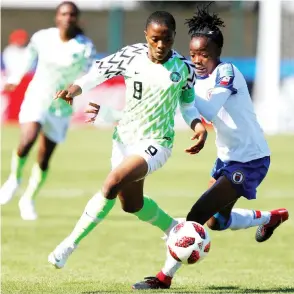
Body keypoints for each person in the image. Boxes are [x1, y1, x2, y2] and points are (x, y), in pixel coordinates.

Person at [132, 5, 289, 290]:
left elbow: (208, 108)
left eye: (204, 55)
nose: (197, 60)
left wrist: (180, 90)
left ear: (217, 53)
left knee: (196, 216)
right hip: (226, 158)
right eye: (193, 55)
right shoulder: (194, 76)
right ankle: (272, 217)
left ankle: (163, 278)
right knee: (218, 222)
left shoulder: (226, 73)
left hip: (250, 160)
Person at [47, 11, 208, 270]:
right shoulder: (130, 55)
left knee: (112, 182)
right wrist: (74, 89)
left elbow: (188, 106)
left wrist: (198, 126)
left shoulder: (183, 68)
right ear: (146, 36)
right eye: (155, 39)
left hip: (157, 142)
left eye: (166, 39)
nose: (160, 45)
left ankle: (69, 245)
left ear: (174, 37)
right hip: (124, 138)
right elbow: (97, 73)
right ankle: (173, 227)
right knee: (132, 204)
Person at [0, 1, 96, 221]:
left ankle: (28, 199)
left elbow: (90, 74)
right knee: (27, 139)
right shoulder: (42, 37)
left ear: (76, 19)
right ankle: (14, 180)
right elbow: (29, 57)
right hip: (38, 97)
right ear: (57, 17)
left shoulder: (84, 46)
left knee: (44, 158)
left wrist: (73, 90)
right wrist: (15, 78)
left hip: (61, 107)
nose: (67, 18)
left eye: (72, 14)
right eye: (64, 13)